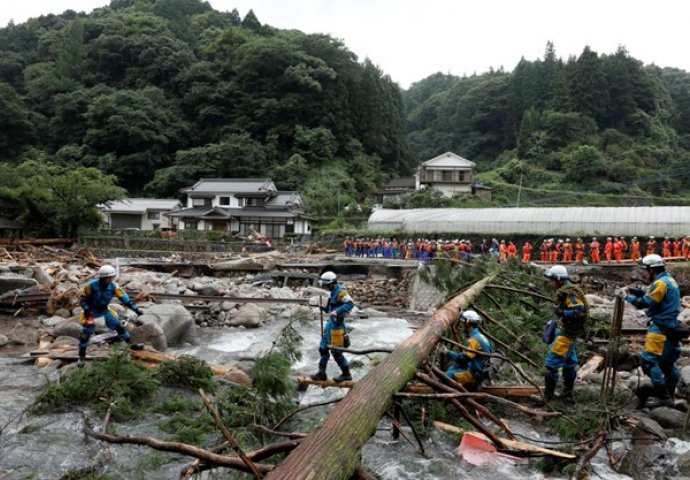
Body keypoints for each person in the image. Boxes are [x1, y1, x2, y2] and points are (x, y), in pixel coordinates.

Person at [626, 254, 682, 408]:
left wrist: (629, 298)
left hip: (660, 328)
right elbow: (653, 293)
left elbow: (646, 302)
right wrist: (637, 291)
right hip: (671, 328)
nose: (643, 273)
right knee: (667, 364)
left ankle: (663, 397)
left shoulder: (661, 283)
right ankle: (670, 396)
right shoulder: (667, 280)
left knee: (649, 363)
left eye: (644, 270)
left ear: (651, 270)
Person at [537, 265, 589, 404]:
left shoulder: (569, 293)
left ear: (559, 279)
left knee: (551, 365)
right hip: (567, 333)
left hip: (566, 335)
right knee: (569, 364)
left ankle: (547, 397)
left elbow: (579, 311)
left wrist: (563, 313)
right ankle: (567, 395)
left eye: (552, 280)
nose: (550, 283)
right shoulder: (566, 289)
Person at [78, 265, 144, 368]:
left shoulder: (114, 287)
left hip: (104, 311)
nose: (109, 280)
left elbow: (125, 298)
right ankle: (81, 357)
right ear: (102, 277)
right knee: (85, 335)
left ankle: (131, 345)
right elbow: (82, 299)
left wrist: (136, 309)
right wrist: (86, 309)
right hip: (91, 312)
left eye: (111, 277)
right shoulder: (91, 286)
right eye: (107, 278)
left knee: (120, 327)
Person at [311, 271, 354, 382]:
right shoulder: (333, 292)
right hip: (330, 325)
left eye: (325, 285)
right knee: (323, 348)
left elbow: (350, 303)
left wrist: (338, 311)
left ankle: (346, 374)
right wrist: (324, 309)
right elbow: (332, 309)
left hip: (337, 327)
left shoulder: (341, 292)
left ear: (331, 283)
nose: (325, 287)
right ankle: (321, 373)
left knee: (336, 352)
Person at [443, 310, 493, 390]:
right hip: (479, 370)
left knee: (447, 375)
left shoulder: (474, 340)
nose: (462, 326)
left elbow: (463, 359)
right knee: (451, 368)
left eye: (463, 324)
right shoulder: (480, 336)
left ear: (468, 324)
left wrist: (447, 352)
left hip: (474, 375)